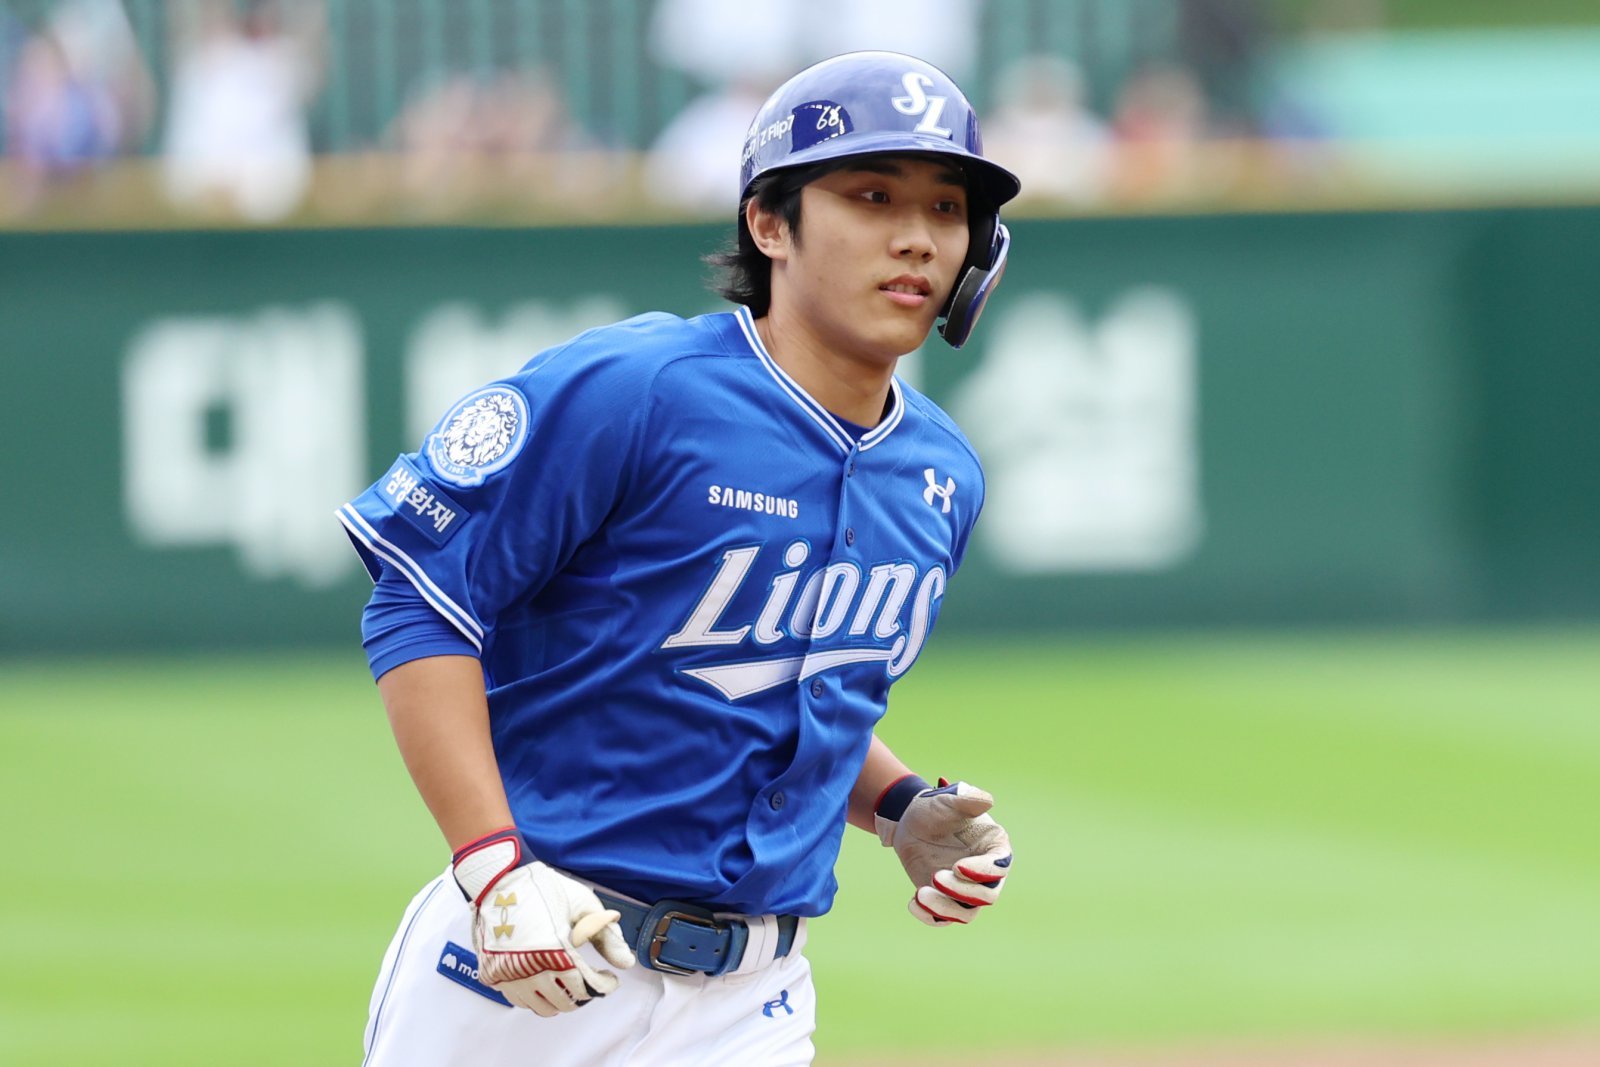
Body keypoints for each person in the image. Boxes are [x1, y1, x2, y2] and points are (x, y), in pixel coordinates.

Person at [338, 50, 1019, 1067]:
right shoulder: (638, 389)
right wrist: (491, 865)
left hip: (753, 1000)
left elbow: (785, 686)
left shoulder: (941, 472)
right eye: (872, 195)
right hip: (530, 966)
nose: (917, 237)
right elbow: (421, 597)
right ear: (770, 224)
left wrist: (897, 805)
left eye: (947, 207)